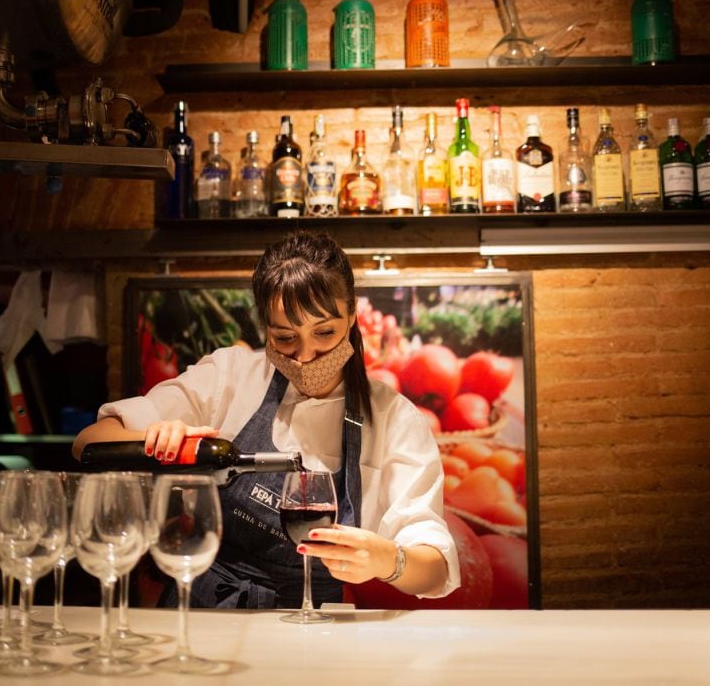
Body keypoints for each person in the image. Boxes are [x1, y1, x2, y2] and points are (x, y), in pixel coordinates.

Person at [73, 231, 459, 608]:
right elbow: (88, 441)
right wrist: (151, 440)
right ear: (265, 328)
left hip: (316, 626)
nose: (306, 356)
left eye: (324, 332)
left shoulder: (393, 418)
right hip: (205, 611)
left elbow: (437, 569)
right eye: (286, 338)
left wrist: (389, 560)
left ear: (352, 314)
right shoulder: (232, 374)